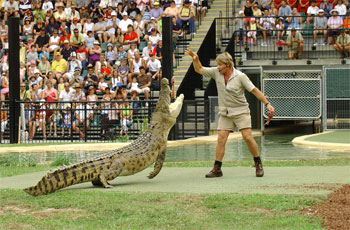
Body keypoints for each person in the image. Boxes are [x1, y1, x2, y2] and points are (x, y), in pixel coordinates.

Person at [185, 49, 275, 178]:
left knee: (248, 137)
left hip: (241, 111)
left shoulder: (240, 76)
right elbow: (199, 69)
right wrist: (196, 59)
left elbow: (254, 91)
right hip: (225, 112)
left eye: (220, 64)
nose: (218, 67)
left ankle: (258, 163)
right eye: (217, 64)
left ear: (228, 65)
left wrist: (267, 104)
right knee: (221, 139)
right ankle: (217, 169)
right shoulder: (217, 72)